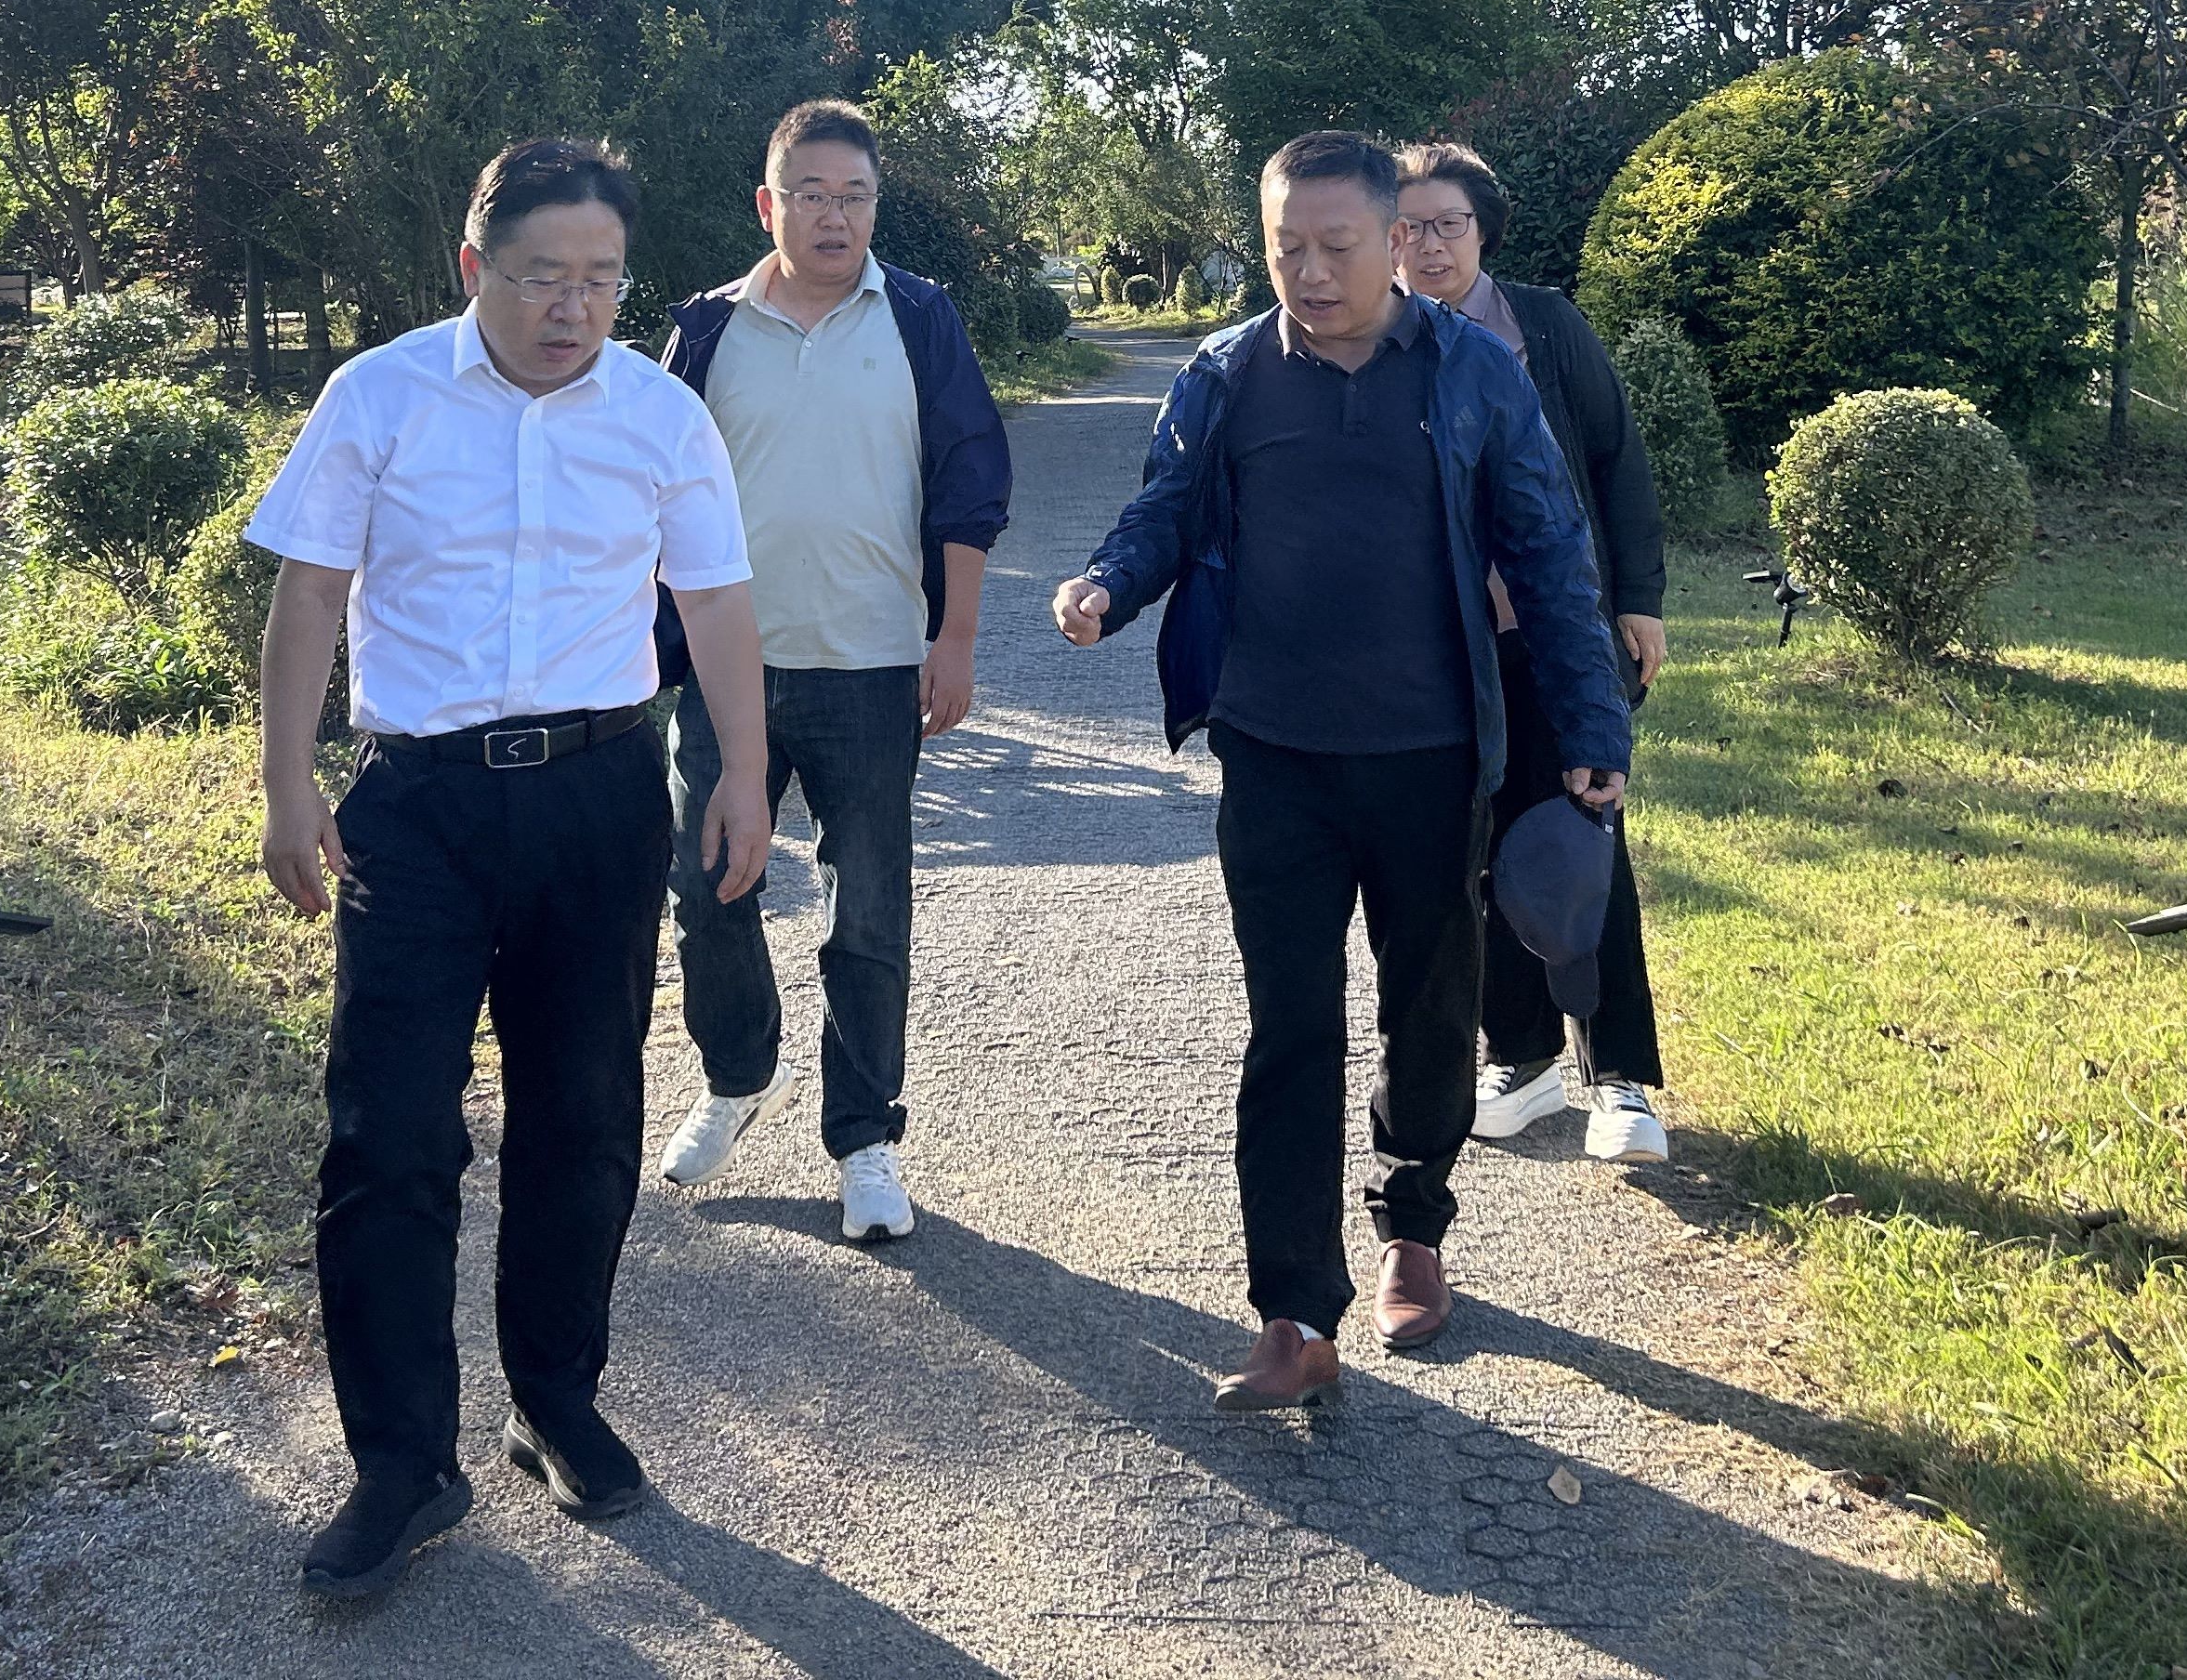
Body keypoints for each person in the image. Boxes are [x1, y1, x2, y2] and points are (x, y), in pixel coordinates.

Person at [246, 138, 776, 1603]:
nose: (572, 307)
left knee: (584, 1116)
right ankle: (401, 1465)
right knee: (389, 1132)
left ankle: (554, 1399)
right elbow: (310, 591)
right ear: (476, 266)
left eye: (600, 280)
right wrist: (285, 785)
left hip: (600, 795)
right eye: (544, 277)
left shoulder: (661, 413)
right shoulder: (379, 395)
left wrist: (743, 773)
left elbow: (716, 600)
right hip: (415, 807)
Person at [1049, 130, 1630, 1411]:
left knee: (1429, 1006)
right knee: (1290, 1027)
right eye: (1285, 249)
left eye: (1336, 247)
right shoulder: (1225, 374)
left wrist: (1594, 727)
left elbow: (1549, 552)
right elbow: (1167, 508)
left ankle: (1414, 1222)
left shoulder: (1474, 371)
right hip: (1274, 758)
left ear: (1392, 241)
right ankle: (1294, 1312)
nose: (1310, 274)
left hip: (1433, 759)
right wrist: (1107, 583)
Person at [646, 98, 1013, 1243]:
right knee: (707, 887)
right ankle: (737, 1073)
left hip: (870, 666)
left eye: (855, 196)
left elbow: (969, 477)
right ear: (771, 204)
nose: (835, 216)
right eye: (812, 194)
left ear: (874, 207)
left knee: (868, 912)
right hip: (727, 670)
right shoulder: (708, 328)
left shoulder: (918, 317)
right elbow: (648, 490)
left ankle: (863, 1137)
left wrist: (954, 639)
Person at [1392, 141, 1672, 1162]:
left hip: (1555, 637)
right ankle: (1521, 1056)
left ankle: (1621, 1077)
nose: (1429, 246)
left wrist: (1637, 601)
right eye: (1409, 227)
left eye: (1448, 224)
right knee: (1477, 853)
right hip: (1441, 650)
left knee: (1582, 837)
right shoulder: (1373, 341)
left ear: (1483, 232)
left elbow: (1617, 457)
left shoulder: (1543, 325)